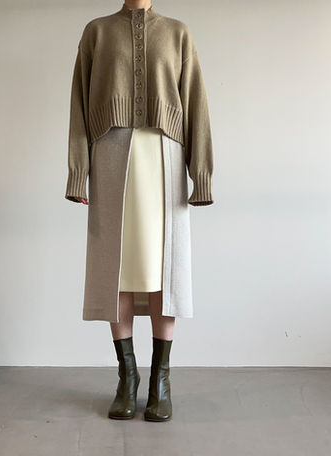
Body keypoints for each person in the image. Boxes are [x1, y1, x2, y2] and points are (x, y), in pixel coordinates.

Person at [65, 0, 214, 421]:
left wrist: (201, 174)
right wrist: (78, 174)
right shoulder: (97, 31)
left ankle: (160, 382)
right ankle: (126, 377)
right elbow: (78, 106)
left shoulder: (178, 32)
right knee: (117, 267)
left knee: (165, 269)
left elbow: (196, 104)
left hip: (165, 158)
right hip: (111, 157)